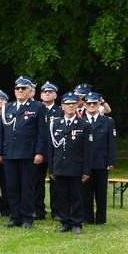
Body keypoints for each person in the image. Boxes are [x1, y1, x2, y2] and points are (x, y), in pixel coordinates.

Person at [0, 76, 47, 228]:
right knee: (11, 186)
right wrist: (0, 152)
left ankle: (27, 217)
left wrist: (39, 152)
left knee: (27, 187)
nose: (20, 91)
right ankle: (15, 216)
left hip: (28, 153)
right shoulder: (8, 107)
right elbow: (1, 132)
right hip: (10, 153)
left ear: (29, 91)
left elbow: (42, 132)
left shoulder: (37, 107)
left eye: (23, 88)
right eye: (17, 88)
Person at [46, 92, 89, 234]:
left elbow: (87, 150)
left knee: (76, 196)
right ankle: (65, 222)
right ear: (62, 107)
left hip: (76, 166)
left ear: (77, 105)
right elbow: (51, 148)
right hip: (60, 167)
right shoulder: (55, 124)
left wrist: (86, 170)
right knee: (62, 196)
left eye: (73, 104)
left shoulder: (83, 124)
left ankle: (76, 223)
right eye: (67, 104)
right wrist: (51, 169)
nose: (70, 106)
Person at [82, 91, 117, 224]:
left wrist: (111, 161)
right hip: (85, 164)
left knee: (101, 193)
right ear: (84, 105)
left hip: (101, 163)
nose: (91, 105)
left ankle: (101, 219)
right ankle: (87, 218)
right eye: (89, 103)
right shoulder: (80, 120)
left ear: (99, 104)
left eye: (94, 103)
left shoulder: (108, 122)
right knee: (86, 193)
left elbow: (112, 143)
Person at [35, 81, 63, 221]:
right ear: (40, 95)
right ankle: (38, 210)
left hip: (55, 151)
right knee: (36, 182)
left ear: (55, 95)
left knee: (55, 181)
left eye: (50, 92)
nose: (47, 94)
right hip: (39, 151)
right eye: (45, 92)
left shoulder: (60, 111)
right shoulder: (35, 109)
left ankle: (56, 211)